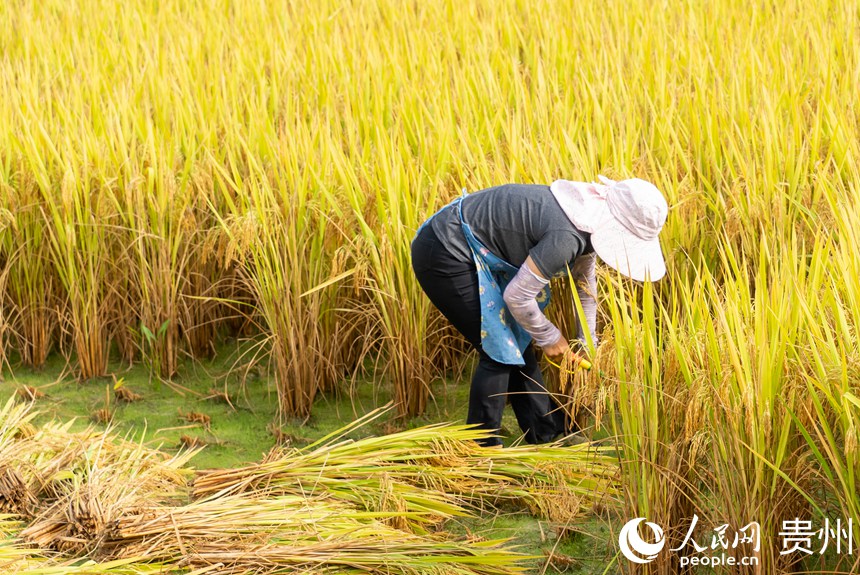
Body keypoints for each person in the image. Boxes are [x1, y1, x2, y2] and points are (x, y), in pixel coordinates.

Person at [410, 175, 668, 446]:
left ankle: (545, 434)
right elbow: (517, 295)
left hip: (473, 250)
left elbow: (585, 289)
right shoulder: (567, 236)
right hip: (444, 251)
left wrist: (586, 344)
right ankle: (481, 449)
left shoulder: (586, 225)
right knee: (499, 348)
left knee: (516, 344)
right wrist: (550, 337)